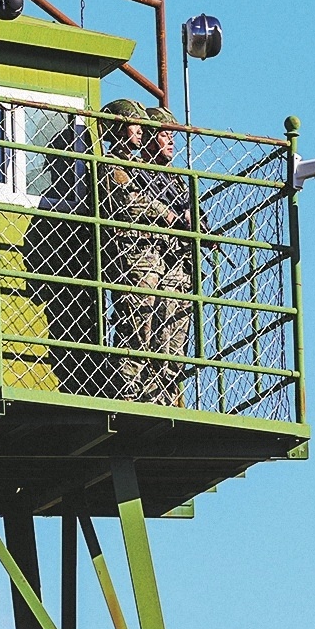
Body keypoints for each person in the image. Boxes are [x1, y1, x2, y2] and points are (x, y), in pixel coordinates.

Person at [95, 98, 170, 401]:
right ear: (118, 129)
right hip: (131, 254)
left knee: (154, 328)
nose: (140, 132)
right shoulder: (113, 165)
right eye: (134, 126)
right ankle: (125, 387)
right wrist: (165, 214)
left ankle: (150, 390)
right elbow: (131, 201)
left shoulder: (138, 167)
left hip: (150, 254)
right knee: (137, 324)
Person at [133, 106, 195, 406]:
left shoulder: (177, 181)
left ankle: (166, 395)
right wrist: (171, 217)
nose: (171, 141)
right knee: (146, 330)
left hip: (178, 263)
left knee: (175, 336)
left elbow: (194, 215)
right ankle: (139, 393)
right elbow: (134, 204)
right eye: (164, 135)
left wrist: (194, 221)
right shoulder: (134, 171)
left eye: (173, 136)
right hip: (150, 259)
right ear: (148, 137)